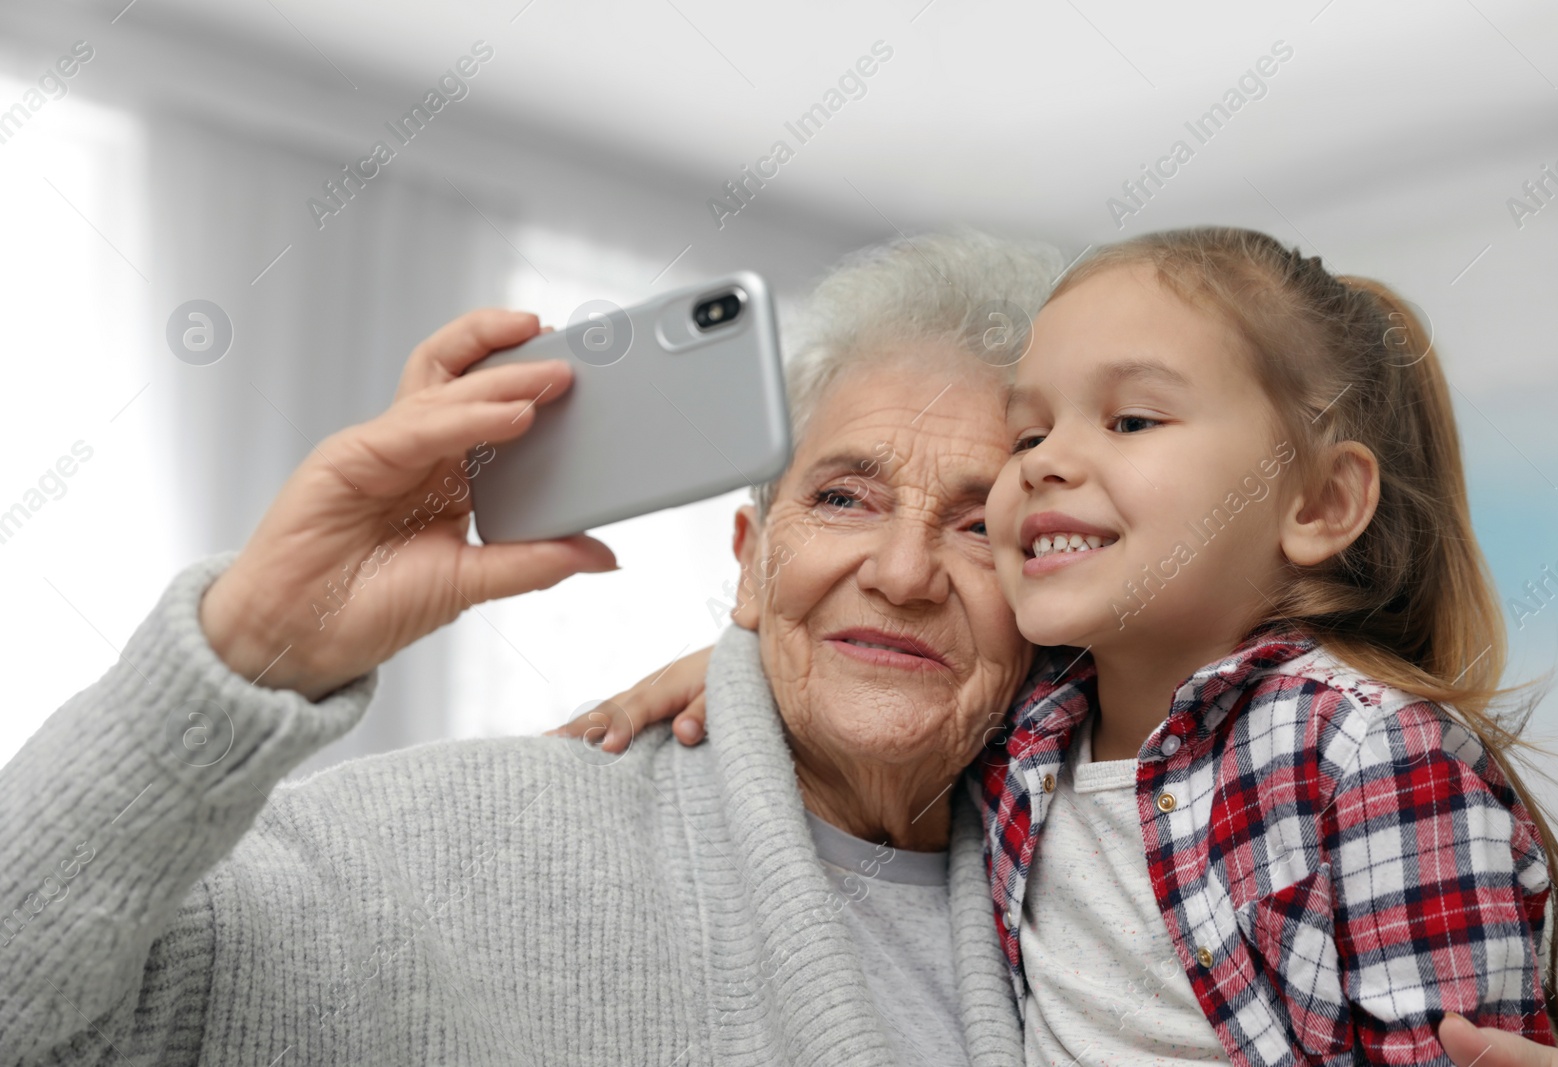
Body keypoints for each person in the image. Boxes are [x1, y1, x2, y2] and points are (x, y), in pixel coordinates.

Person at [0, 233, 1064, 1065]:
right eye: (841, 497)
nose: (903, 571)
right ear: (749, 562)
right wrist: (248, 651)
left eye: (980, 526)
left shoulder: (1108, 884)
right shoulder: (433, 848)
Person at [587, 228, 1558, 1066]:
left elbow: (1448, 1045)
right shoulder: (1039, 724)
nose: (1052, 460)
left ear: (1320, 501)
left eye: (1129, 417)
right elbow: (892, 681)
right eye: (1028, 435)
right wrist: (751, 662)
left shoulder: (1364, 752)